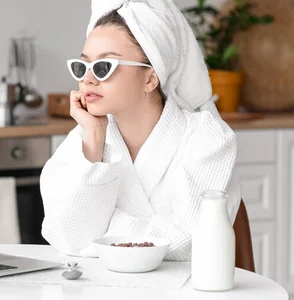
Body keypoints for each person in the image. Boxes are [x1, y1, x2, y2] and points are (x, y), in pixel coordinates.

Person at [39, 0, 241, 261]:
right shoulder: (83, 138)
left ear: (150, 78)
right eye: (82, 66)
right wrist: (95, 140)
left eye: (104, 67)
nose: (87, 79)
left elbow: (188, 244)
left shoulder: (208, 139)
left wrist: (104, 232)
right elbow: (68, 238)